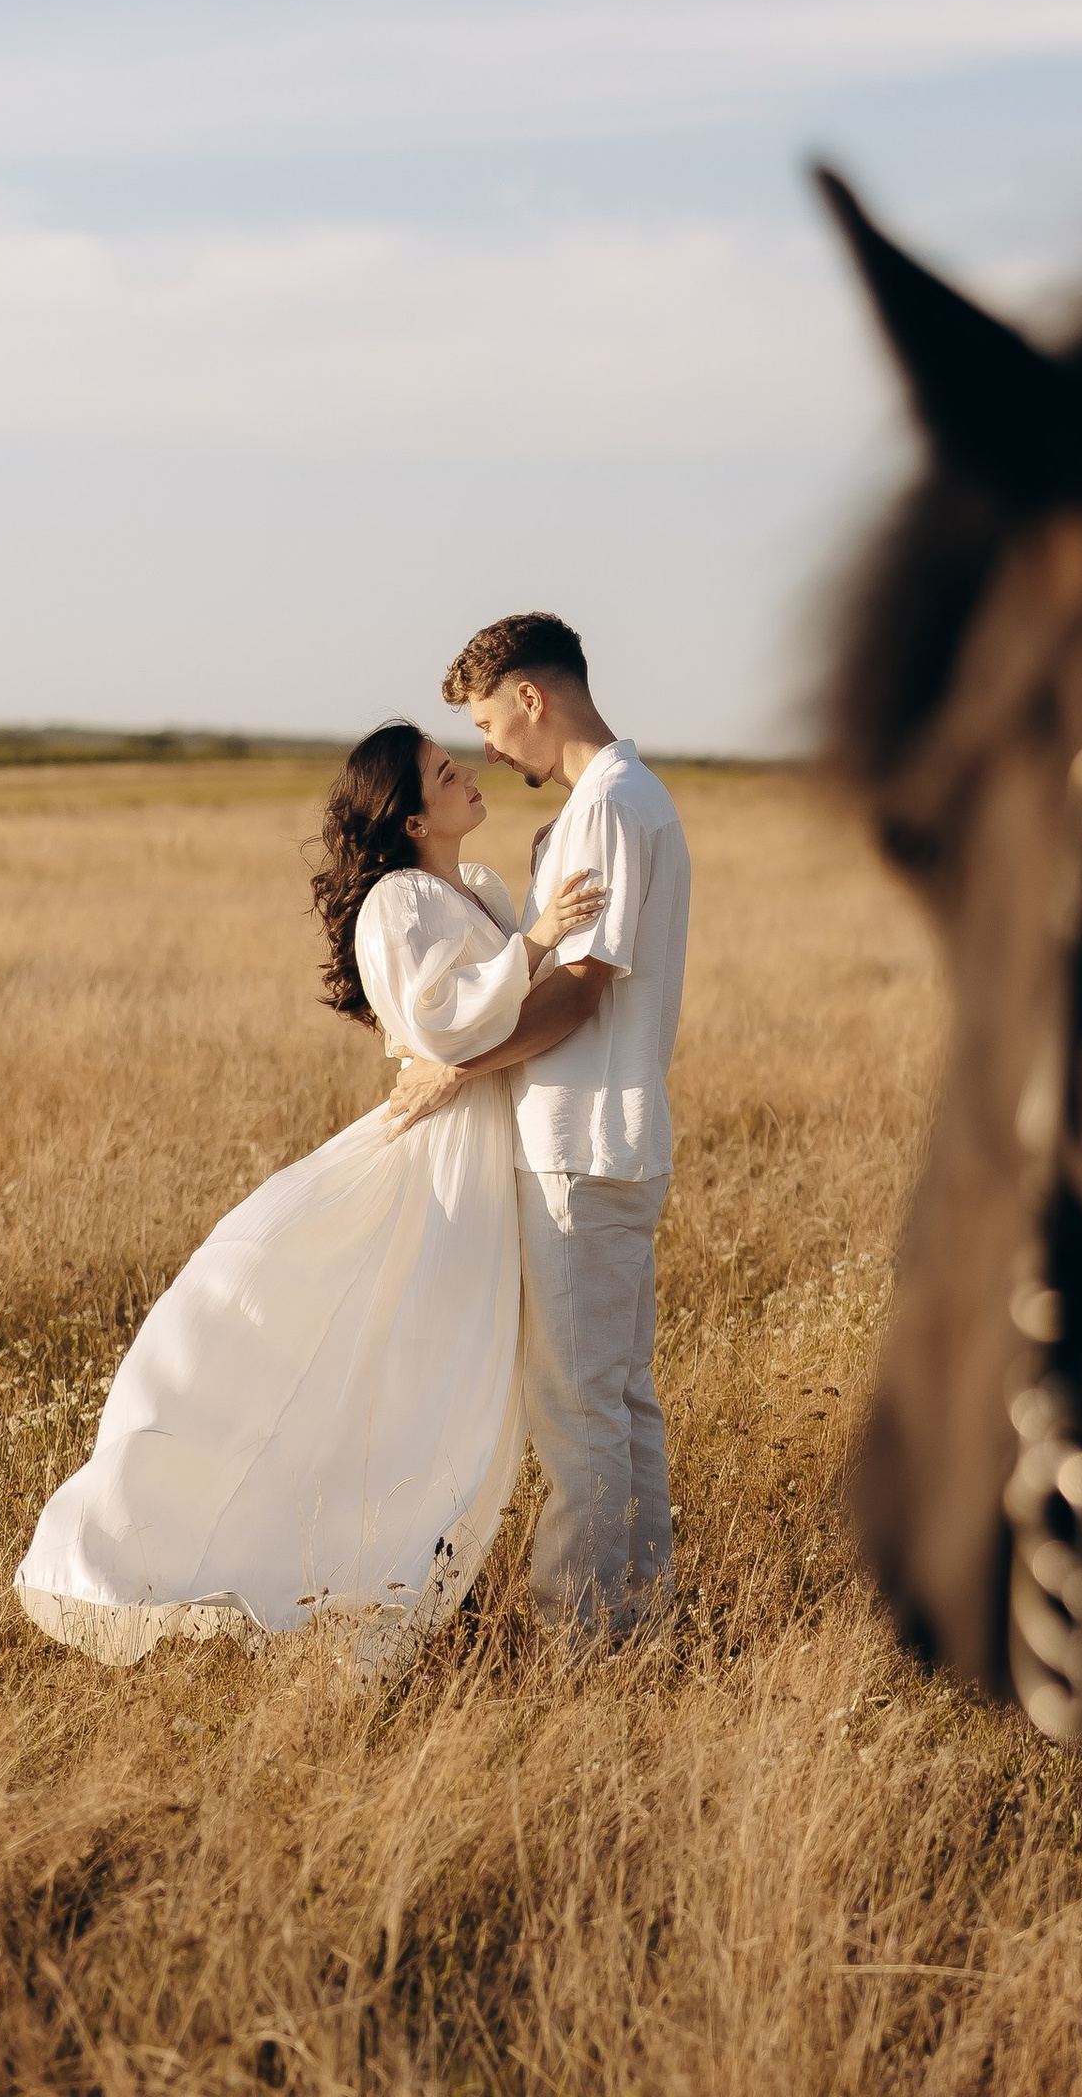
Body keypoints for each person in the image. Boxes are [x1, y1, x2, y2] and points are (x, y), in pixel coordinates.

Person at [12, 722, 605, 1670]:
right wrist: (535, 941)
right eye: (447, 773)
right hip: (440, 1154)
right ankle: (271, 1565)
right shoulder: (396, 903)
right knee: (387, 1362)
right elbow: (443, 1025)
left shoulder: (479, 889)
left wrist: (534, 917)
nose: (468, 775)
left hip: (491, 1149)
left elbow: (511, 1005)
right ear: (414, 818)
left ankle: (376, 1573)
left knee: (449, 1375)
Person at [386, 613, 690, 1635]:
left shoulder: (607, 806)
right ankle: (637, 1623)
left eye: (484, 721)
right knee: (616, 1398)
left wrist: (452, 1069)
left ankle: (588, 1641)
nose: (484, 748)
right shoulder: (609, 803)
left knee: (578, 1412)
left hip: (582, 1143)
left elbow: (578, 992)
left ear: (531, 698)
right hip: (607, 1141)